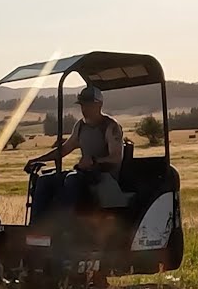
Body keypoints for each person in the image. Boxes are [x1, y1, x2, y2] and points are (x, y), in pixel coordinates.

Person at [25, 85, 125, 224]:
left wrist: (94, 161)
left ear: (99, 104)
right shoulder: (80, 126)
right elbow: (64, 150)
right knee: (44, 180)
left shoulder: (111, 126)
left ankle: (67, 226)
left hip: (104, 177)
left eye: (88, 105)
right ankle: (37, 227)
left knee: (71, 179)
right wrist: (37, 160)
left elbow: (116, 157)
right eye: (82, 105)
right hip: (84, 173)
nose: (84, 109)